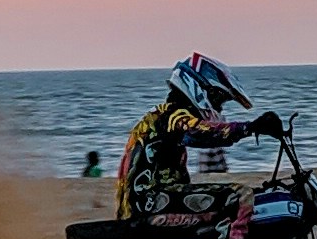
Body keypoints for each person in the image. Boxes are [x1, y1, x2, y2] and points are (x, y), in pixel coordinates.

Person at [113, 52, 282, 226]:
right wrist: (249, 127)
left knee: (237, 199)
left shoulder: (161, 116)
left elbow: (201, 137)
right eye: (218, 99)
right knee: (240, 195)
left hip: (145, 203)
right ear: (198, 88)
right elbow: (202, 132)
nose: (219, 108)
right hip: (149, 203)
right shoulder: (173, 116)